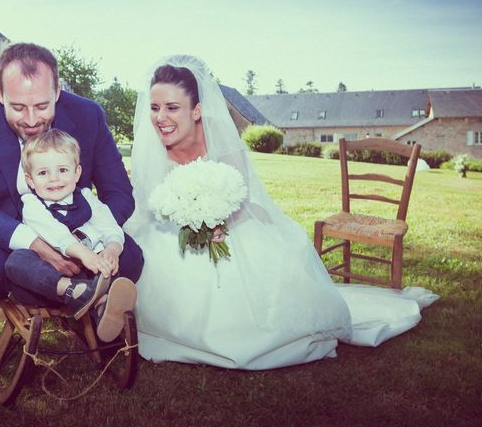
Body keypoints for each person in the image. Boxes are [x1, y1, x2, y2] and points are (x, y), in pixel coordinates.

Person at [125, 55, 437, 370]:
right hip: (170, 228)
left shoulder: (220, 137)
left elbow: (237, 197)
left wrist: (215, 226)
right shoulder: (151, 144)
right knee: (162, 257)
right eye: (154, 108)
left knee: (250, 260)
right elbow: (145, 203)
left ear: (197, 110)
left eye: (171, 108)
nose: (160, 117)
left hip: (233, 223)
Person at [0, 43, 143, 360]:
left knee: (129, 256)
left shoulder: (88, 115)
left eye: (42, 106)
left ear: (58, 91)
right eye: (18, 107)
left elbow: (118, 192)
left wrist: (91, 242)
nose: (32, 119)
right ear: (0, 93)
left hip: (76, 227)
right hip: (2, 232)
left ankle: (98, 312)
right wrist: (38, 244)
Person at [5, 129, 136, 342]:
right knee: (16, 261)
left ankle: (100, 301)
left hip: (90, 273)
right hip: (48, 284)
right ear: (30, 180)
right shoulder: (32, 205)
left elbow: (109, 225)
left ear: (77, 173)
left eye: (63, 170)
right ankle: (78, 293)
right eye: (43, 173)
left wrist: (112, 248)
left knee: (128, 250)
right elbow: (59, 237)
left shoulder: (85, 197)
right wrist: (84, 254)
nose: (54, 179)